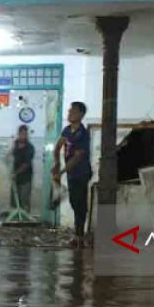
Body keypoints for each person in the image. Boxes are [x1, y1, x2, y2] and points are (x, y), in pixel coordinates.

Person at [52, 101, 92, 248]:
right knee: (75, 202)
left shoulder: (83, 133)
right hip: (71, 173)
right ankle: (78, 235)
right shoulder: (67, 130)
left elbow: (78, 157)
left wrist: (62, 171)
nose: (69, 113)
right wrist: (56, 163)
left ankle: (79, 236)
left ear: (81, 114)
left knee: (79, 203)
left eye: (73, 111)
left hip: (81, 172)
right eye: (69, 110)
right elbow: (57, 147)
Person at [11, 125, 35, 213]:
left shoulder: (30, 148)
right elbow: (11, 155)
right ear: (19, 134)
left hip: (26, 177)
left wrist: (16, 173)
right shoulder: (15, 144)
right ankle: (17, 218)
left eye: (25, 134)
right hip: (16, 177)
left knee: (25, 199)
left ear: (27, 134)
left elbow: (26, 164)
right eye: (21, 134)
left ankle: (26, 220)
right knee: (15, 200)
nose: (23, 136)